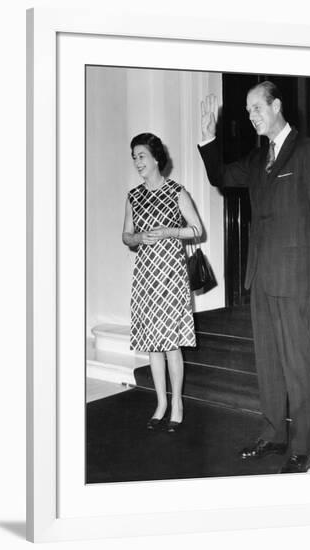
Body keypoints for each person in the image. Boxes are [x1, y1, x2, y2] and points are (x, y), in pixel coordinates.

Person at [198, 81, 310, 473]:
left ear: (276, 106)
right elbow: (221, 176)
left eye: (256, 108)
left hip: (293, 276)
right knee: (269, 362)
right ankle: (274, 432)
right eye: (247, 111)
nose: (251, 116)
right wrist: (209, 139)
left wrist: (303, 263)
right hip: (259, 276)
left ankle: (301, 447)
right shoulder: (259, 160)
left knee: (298, 362)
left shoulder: (307, 151)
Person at [122, 132, 202, 433]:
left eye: (141, 156)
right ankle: (160, 404)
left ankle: (177, 404)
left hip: (171, 275)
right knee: (152, 344)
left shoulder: (177, 192)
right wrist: (139, 237)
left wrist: (169, 231)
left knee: (170, 344)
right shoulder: (133, 196)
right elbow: (126, 235)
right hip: (145, 276)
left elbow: (196, 229)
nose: (137, 162)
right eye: (134, 157)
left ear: (156, 158)